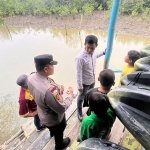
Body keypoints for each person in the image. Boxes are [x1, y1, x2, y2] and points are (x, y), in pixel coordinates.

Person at [28, 54, 74, 150]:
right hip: (54, 120)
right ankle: (59, 145)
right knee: (60, 129)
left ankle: (53, 133)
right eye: (52, 65)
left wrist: (58, 88)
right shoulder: (49, 91)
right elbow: (61, 109)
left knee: (53, 130)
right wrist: (70, 95)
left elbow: (46, 87)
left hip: (42, 113)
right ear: (45, 69)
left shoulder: (31, 77)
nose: (53, 67)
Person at [75, 35, 105, 122]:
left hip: (92, 79)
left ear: (96, 46)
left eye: (92, 48)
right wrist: (79, 86)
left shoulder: (93, 52)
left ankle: (91, 108)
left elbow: (96, 55)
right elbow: (78, 73)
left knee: (92, 95)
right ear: (84, 44)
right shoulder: (80, 58)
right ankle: (79, 112)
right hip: (84, 82)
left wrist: (103, 53)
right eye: (87, 47)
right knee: (81, 97)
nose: (89, 50)